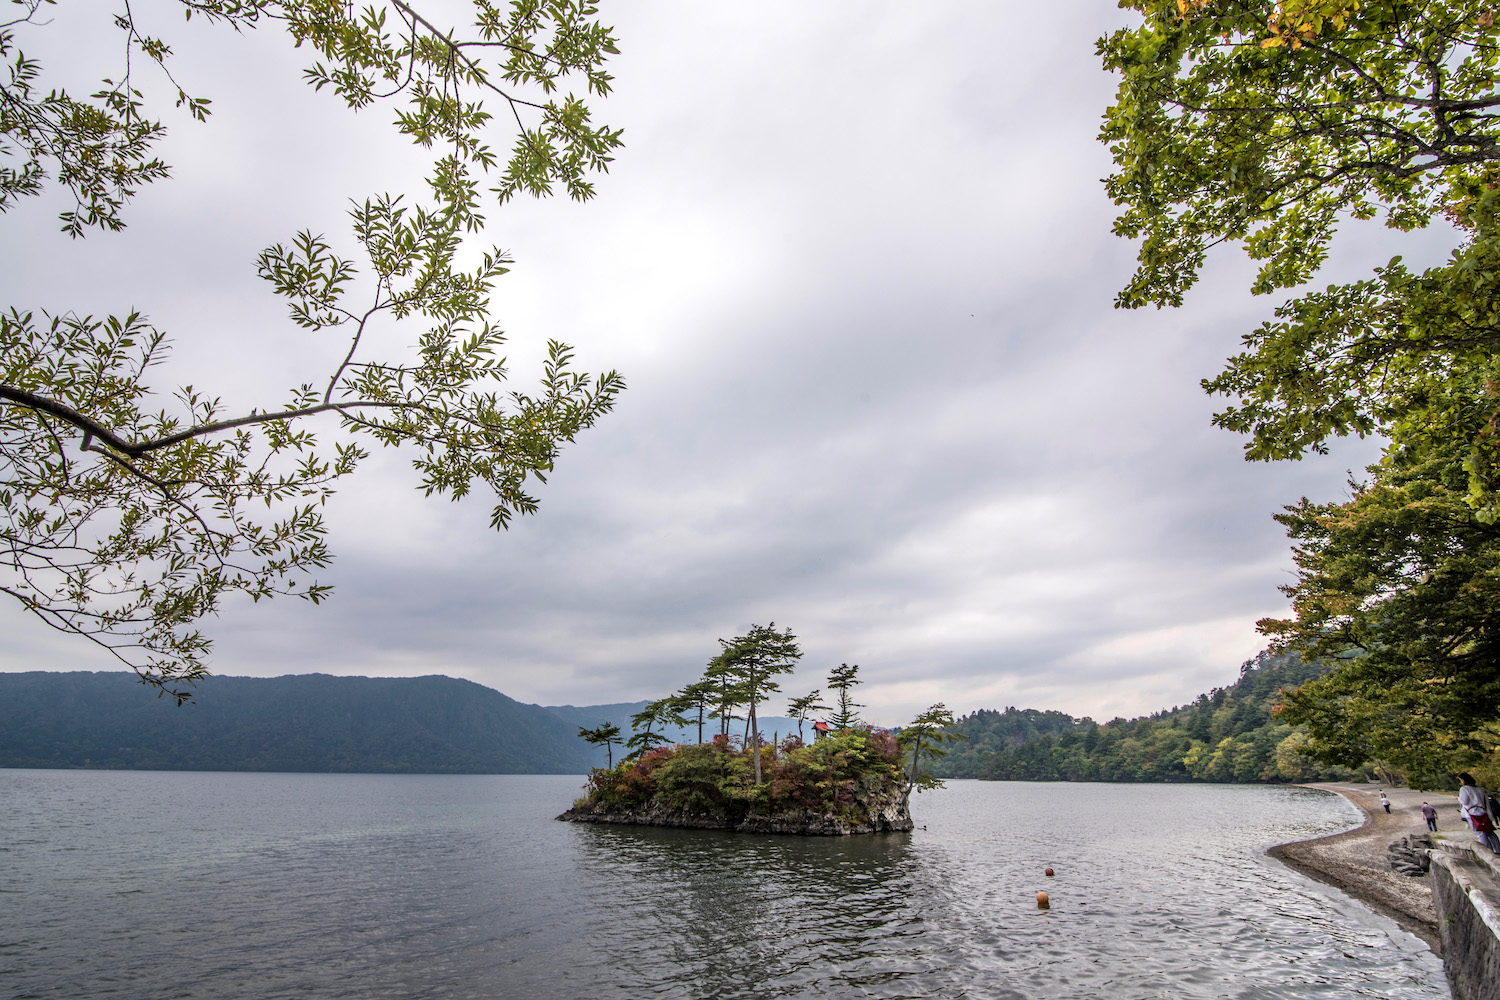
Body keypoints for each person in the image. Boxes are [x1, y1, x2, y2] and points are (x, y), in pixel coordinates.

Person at [1458, 773, 1500, 854]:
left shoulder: (1464, 789)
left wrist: (1459, 798)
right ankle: (1498, 849)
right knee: (1490, 832)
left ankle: (1487, 852)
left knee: (1480, 833)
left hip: (1472, 813)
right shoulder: (1479, 790)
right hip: (1483, 812)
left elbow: (1464, 801)